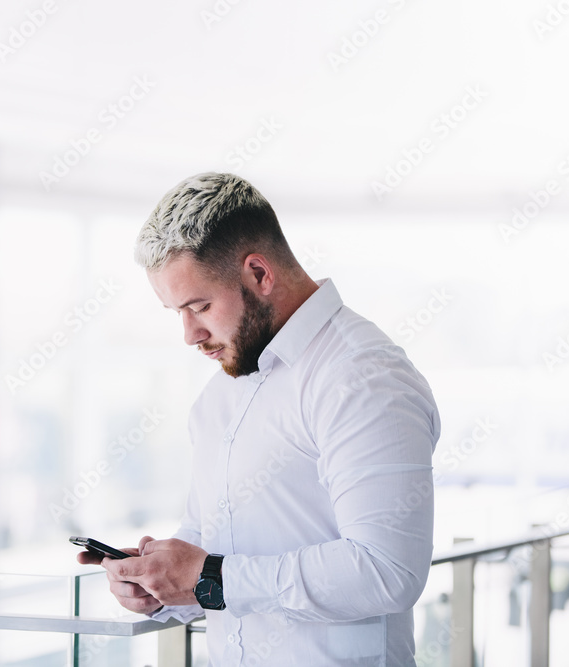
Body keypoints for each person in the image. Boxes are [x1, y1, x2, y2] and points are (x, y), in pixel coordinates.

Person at [76, 172, 440, 665]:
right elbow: (211, 548)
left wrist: (210, 578)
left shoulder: (363, 377)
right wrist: (162, 582)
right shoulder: (219, 395)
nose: (189, 334)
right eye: (176, 312)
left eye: (200, 305)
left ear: (259, 274)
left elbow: (386, 570)